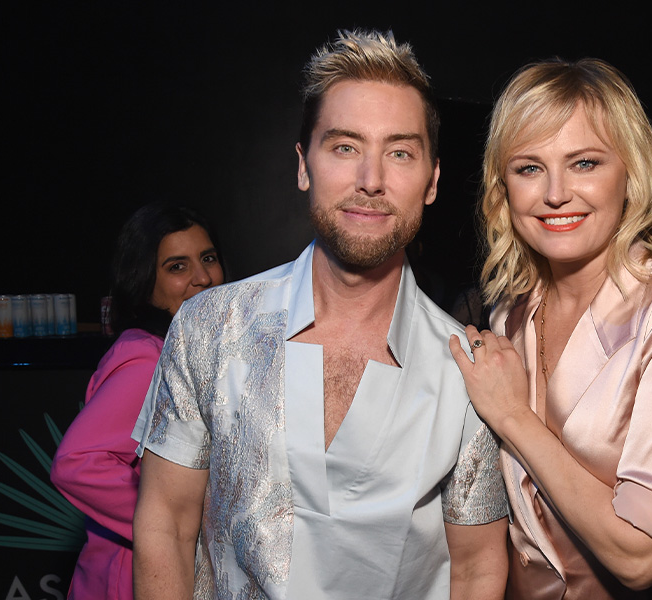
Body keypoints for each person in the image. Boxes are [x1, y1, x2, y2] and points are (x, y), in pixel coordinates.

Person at [130, 30, 508, 600]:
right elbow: (165, 522)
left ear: (431, 181)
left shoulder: (467, 369)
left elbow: (478, 569)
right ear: (304, 165)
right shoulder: (210, 327)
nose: (371, 180)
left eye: (400, 152)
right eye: (345, 147)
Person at [449, 58, 652, 599]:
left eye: (584, 163)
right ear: (503, 188)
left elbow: (642, 556)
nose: (556, 193)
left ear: (631, 174)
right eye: (529, 168)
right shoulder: (507, 316)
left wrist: (513, 415)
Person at [50, 203, 225, 600]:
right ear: (145, 282)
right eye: (177, 267)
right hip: (131, 578)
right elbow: (77, 464)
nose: (203, 277)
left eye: (208, 258)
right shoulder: (148, 358)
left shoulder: (185, 350)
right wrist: (172, 525)